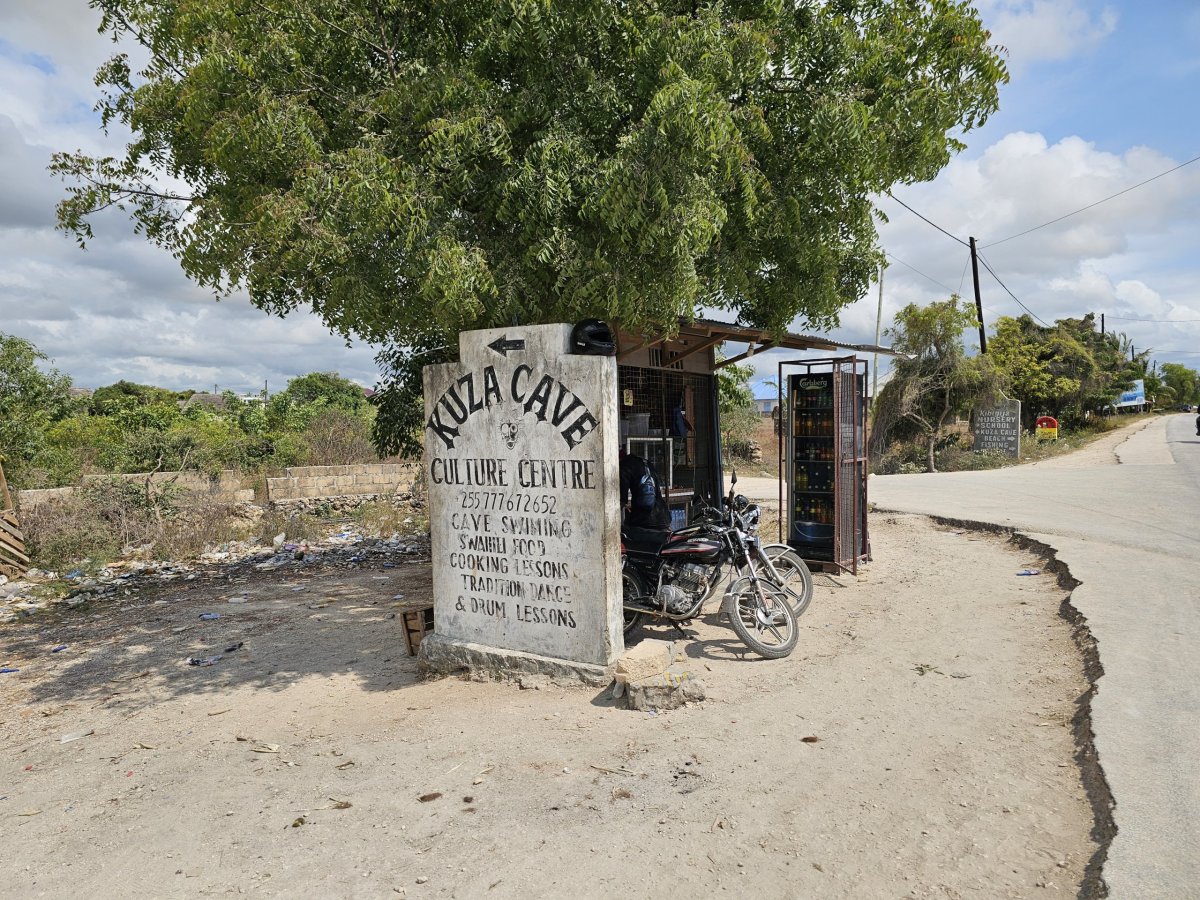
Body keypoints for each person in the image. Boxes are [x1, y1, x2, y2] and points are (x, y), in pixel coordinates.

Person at [619, 450, 671, 529]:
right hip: (664, 518)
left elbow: (622, 500)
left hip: (643, 522)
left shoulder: (624, 466)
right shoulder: (646, 463)